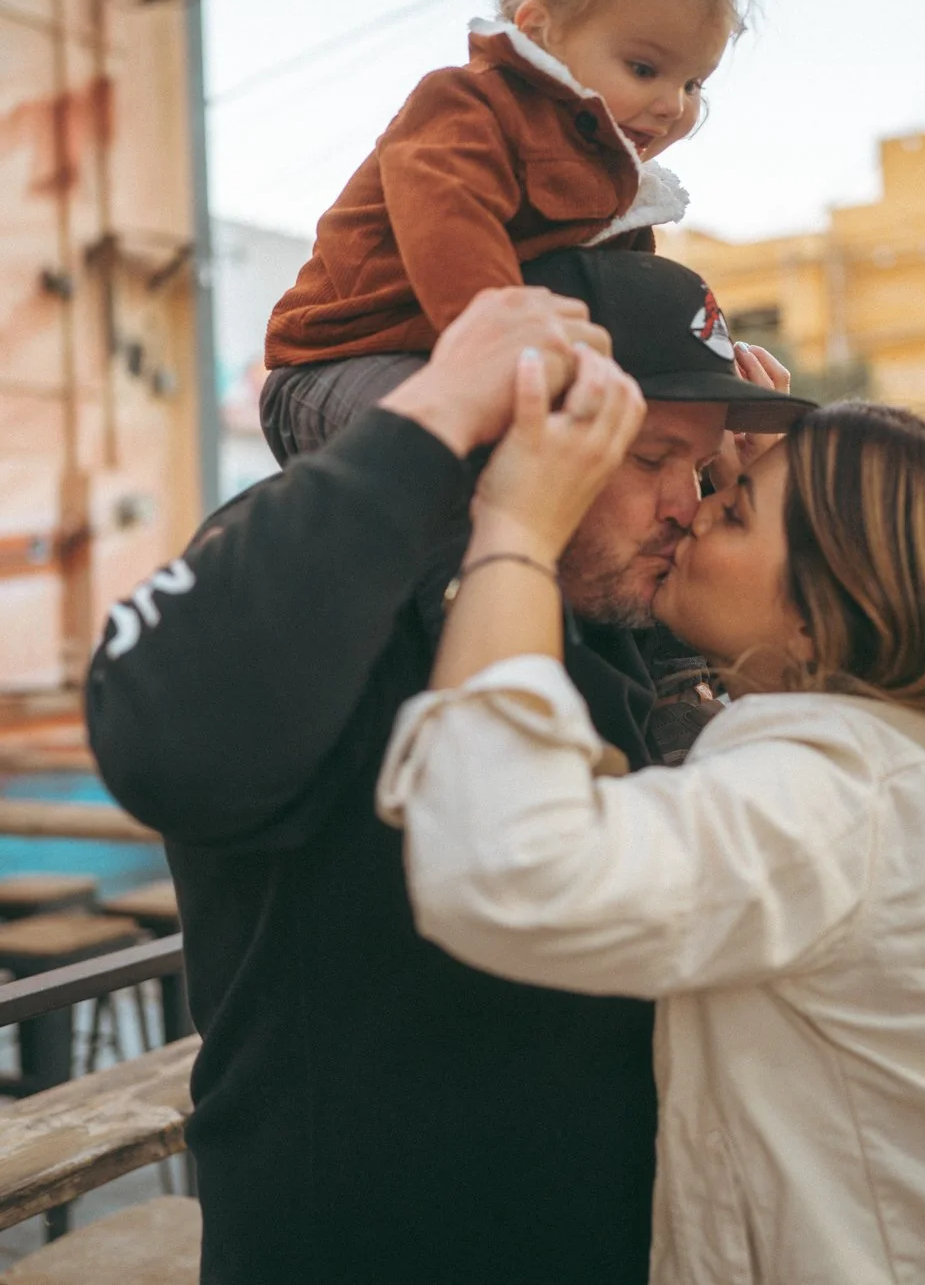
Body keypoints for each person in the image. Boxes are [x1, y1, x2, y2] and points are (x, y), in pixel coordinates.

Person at [86, 250, 807, 1285]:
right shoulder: (342, 578)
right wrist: (427, 429)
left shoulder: (625, 614)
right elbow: (167, 741)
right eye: (650, 456)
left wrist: (761, 493)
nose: (685, 504)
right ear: (521, 428)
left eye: (703, 472)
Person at [379, 349, 925, 1285]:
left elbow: (511, 863)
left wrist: (514, 530)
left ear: (821, 622)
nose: (692, 510)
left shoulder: (845, 798)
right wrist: (783, 477)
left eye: (732, 506)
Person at [260, 0, 750, 465]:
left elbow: (624, 310)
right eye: (644, 67)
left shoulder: (618, 185)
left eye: (693, 83)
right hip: (339, 364)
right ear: (538, 30)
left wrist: (691, 393)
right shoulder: (467, 107)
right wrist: (519, 358)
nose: (671, 105)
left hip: (458, 363)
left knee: (603, 456)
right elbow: (449, 225)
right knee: (482, 446)